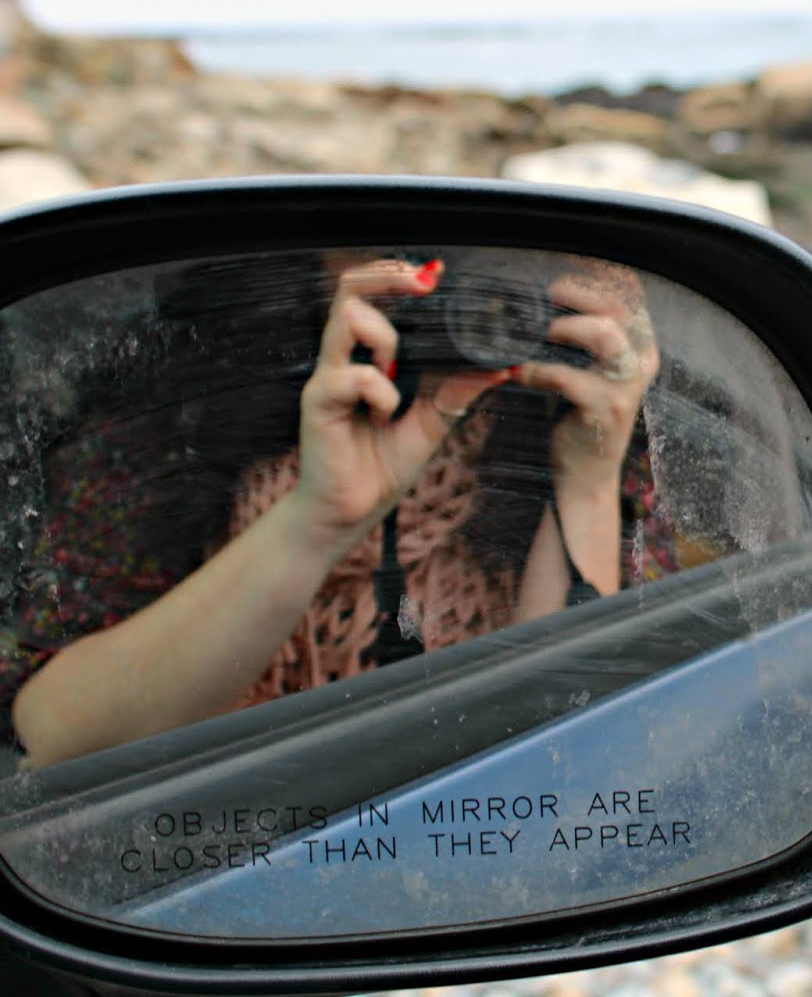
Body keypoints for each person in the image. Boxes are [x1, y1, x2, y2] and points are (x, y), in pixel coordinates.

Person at [0, 249, 676, 770]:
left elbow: (579, 766)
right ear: (314, 252)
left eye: (481, 265)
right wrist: (317, 518)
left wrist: (586, 481)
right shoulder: (172, 413)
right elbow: (54, 734)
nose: (445, 290)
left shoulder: (586, 421)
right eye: (391, 247)